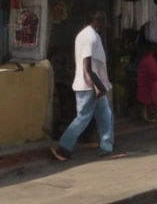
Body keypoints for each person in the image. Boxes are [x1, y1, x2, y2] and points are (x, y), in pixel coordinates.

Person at [51, 11, 123, 161]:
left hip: (92, 85)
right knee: (84, 117)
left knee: (105, 115)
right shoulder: (89, 36)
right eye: (101, 19)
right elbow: (86, 66)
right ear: (94, 20)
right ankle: (63, 148)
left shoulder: (89, 35)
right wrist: (96, 87)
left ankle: (106, 146)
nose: (104, 23)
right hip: (89, 86)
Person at [135, 43, 157, 123]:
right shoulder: (149, 60)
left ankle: (147, 116)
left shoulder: (146, 60)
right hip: (148, 83)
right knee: (147, 100)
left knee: (147, 100)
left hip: (148, 83)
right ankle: (147, 116)